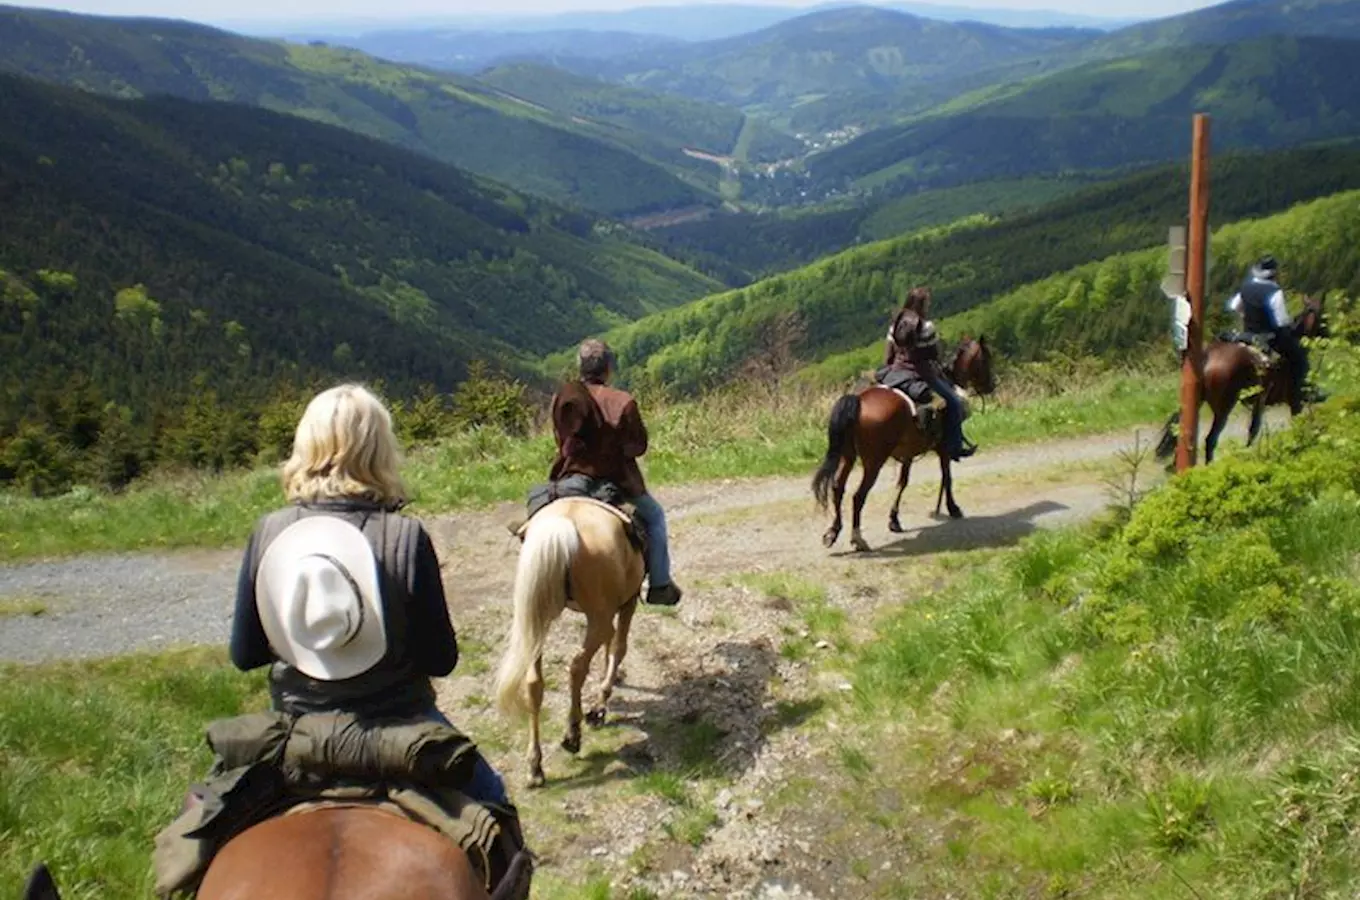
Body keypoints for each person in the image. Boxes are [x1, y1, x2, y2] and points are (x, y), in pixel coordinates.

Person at [229, 382, 510, 806]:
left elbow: (244, 655)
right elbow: (442, 660)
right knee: (495, 802)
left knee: (206, 824)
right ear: (379, 451)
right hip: (399, 725)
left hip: (296, 727)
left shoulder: (269, 532)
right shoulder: (404, 536)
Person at [548, 338, 682, 607]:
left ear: (580, 368)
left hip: (572, 478)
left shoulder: (563, 398)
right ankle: (659, 584)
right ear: (608, 367)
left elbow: (561, 440)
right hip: (617, 481)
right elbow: (638, 446)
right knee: (655, 517)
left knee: (541, 511)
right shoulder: (623, 401)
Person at [881, 287, 976, 461]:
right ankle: (954, 446)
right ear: (922, 305)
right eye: (927, 303)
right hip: (920, 375)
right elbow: (935, 356)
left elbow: (888, 357)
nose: (928, 306)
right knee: (954, 402)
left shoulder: (895, 324)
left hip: (894, 373)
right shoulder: (926, 327)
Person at [1225, 255, 1322, 413]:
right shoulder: (1274, 291)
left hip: (1248, 335)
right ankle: (1300, 392)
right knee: (1299, 359)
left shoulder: (1246, 287)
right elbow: (1281, 321)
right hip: (1269, 337)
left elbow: (1234, 306)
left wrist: (1246, 316)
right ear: (1273, 273)